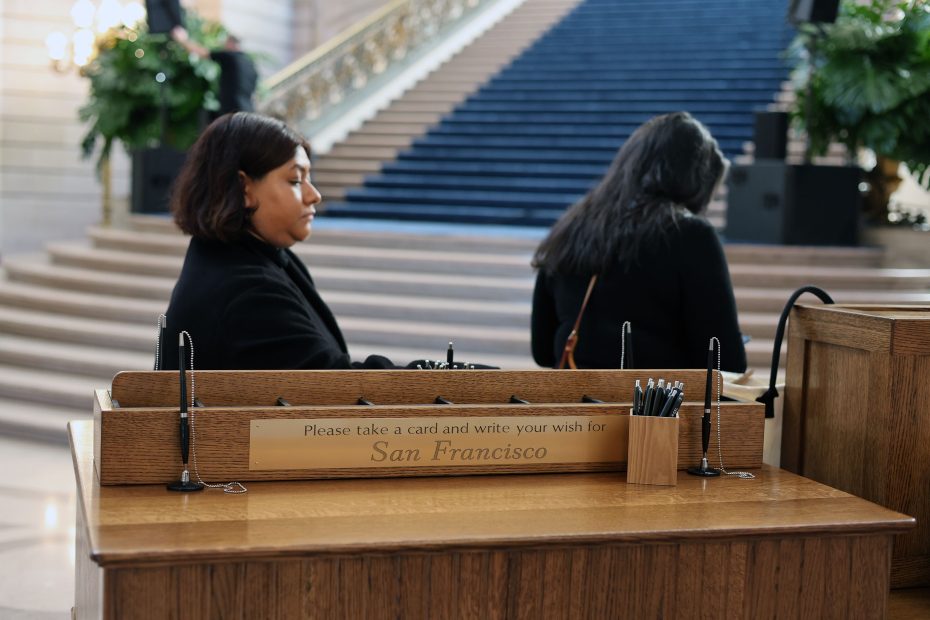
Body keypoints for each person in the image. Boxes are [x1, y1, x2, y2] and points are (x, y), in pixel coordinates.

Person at [163, 112, 394, 370]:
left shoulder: (241, 254)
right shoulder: (249, 291)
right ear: (244, 188)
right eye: (295, 180)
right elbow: (336, 387)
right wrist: (435, 373)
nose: (314, 195)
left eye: (309, 178)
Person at [530, 111, 747, 372]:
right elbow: (726, 363)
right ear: (696, 184)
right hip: (650, 410)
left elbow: (543, 350)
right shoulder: (689, 235)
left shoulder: (571, 225)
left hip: (574, 406)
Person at [171, 26, 258, 118]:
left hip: (232, 110)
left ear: (230, 42)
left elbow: (203, 53)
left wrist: (183, 40)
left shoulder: (230, 57)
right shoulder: (250, 63)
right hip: (247, 111)